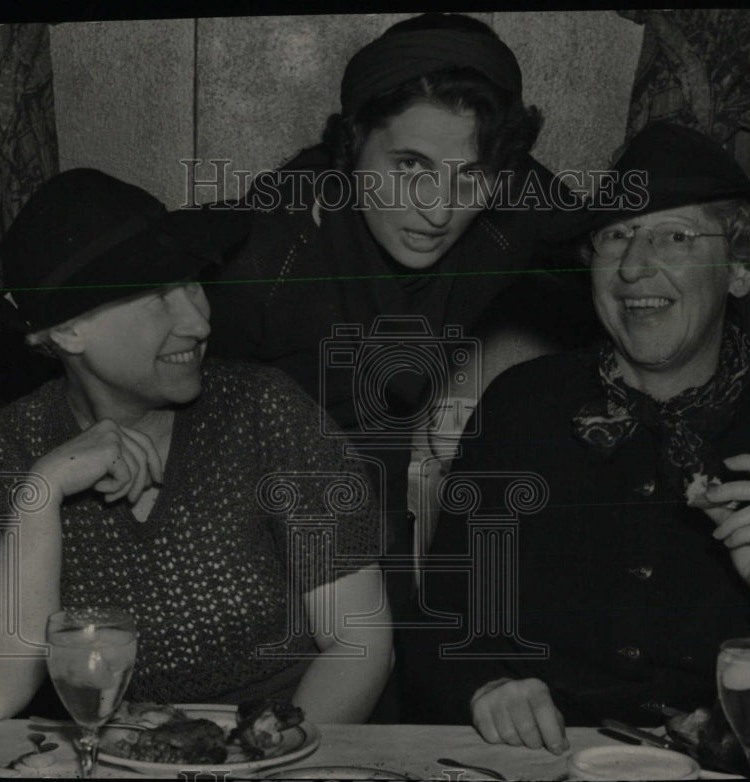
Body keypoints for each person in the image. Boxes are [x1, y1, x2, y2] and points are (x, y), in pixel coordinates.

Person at [399, 122, 750, 750]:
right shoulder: (522, 407)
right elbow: (437, 624)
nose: (634, 266)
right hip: (542, 758)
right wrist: (484, 686)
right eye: (616, 236)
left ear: (740, 268)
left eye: (674, 236)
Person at [0, 169, 393, 723]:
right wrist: (40, 496)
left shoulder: (265, 411)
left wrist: (262, 759)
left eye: (193, 282)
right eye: (156, 297)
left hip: (289, 751)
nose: (198, 321)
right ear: (69, 330)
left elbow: (361, 647)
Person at [204, 13, 600, 614]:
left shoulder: (509, 196)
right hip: (248, 550)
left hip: (380, 532)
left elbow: (614, 244)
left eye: (470, 176)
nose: (438, 211)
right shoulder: (264, 254)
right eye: (409, 167)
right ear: (352, 139)